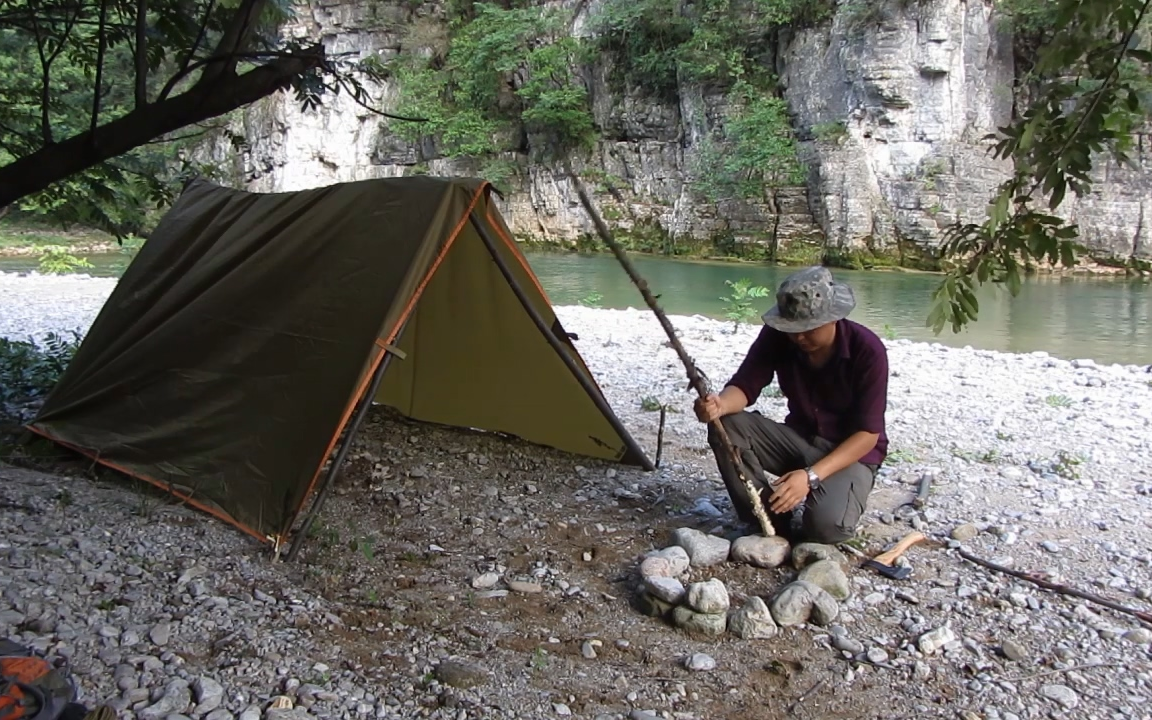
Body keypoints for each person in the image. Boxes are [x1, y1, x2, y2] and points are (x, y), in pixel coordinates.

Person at [693, 265, 889, 544]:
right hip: (798, 438)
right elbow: (746, 385)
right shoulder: (777, 336)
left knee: (826, 529)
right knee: (727, 424)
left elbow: (868, 435)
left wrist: (809, 478)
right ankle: (766, 516)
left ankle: (819, 501)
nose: (798, 337)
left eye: (807, 329)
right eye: (791, 328)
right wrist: (719, 405)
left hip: (849, 454)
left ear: (833, 318)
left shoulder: (868, 351)